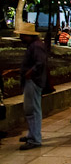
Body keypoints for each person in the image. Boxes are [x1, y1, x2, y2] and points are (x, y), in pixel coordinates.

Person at [15, 22, 47, 150]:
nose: (21, 37)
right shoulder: (34, 45)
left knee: (32, 110)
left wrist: (30, 72)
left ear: (29, 35)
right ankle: (32, 134)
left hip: (34, 81)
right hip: (33, 80)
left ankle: (34, 139)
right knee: (31, 109)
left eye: (23, 35)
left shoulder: (36, 46)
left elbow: (40, 62)